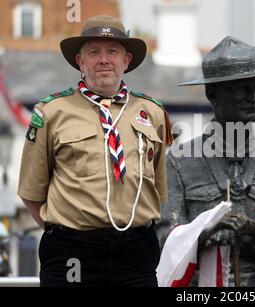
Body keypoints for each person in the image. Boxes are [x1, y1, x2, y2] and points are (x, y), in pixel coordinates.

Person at [17, 15, 172, 287]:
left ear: (126, 60)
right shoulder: (51, 112)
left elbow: (157, 190)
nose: (104, 60)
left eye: (112, 51)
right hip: (72, 252)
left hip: (136, 254)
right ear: (80, 61)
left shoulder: (152, 113)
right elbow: (32, 191)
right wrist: (64, 229)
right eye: (94, 52)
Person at [155, 36, 255, 287]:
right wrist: (209, 232)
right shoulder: (179, 161)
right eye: (242, 89)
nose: (254, 97)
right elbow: (165, 237)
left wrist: (252, 227)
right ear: (212, 94)